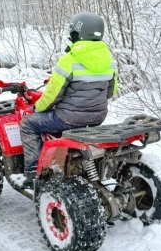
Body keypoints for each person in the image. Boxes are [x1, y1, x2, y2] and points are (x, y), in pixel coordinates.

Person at [18, 12, 118, 189]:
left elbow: (52, 95)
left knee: (28, 124)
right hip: (97, 118)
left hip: (68, 119)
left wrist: (37, 108)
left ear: (78, 33)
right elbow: (111, 92)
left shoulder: (69, 60)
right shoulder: (109, 61)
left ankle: (33, 172)